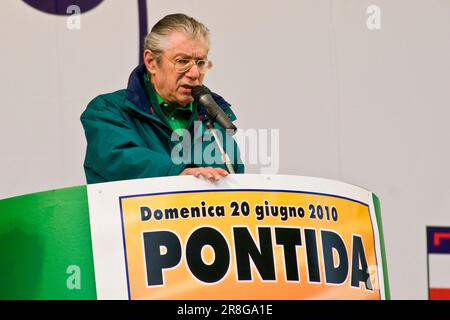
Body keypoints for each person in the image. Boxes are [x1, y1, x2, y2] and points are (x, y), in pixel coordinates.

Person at [81, 14, 244, 184]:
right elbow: (117, 159)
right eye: (182, 61)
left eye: (201, 63)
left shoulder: (214, 119)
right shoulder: (108, 110)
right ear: (151, 62)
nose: (195, 73)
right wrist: (179, 174)